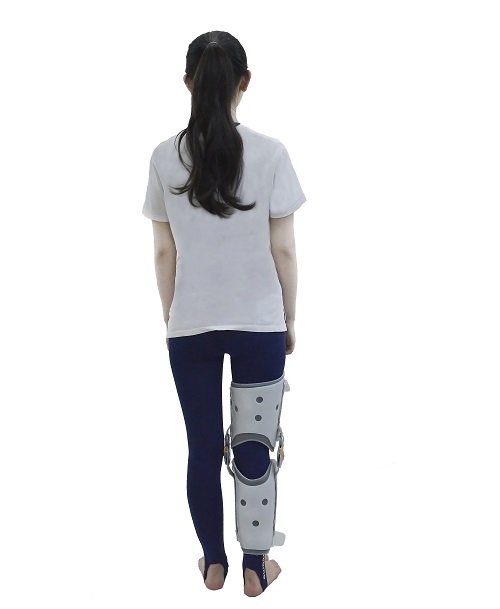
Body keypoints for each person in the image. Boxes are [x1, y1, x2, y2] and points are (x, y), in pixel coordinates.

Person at [142, 30, 306, 597]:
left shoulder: (163, 157)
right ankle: (256, 567)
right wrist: (289, 319)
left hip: (191, 324)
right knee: (255, 443)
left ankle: (214, 562)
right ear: (245, 82)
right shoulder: (271, 153)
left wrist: (173, 316)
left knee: (202, 446)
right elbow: (283, 249)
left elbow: (164, 253)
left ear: (188, 83)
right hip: (259, 321)